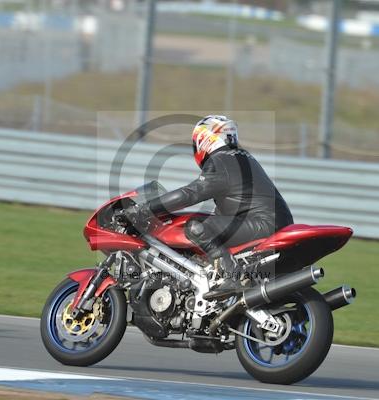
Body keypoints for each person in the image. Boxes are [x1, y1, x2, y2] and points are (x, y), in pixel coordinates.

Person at [125, 115, 293, 300]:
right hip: (270, 221)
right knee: (208, 226)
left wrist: (146, 208)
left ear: (205, 139)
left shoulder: (221, 161)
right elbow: (231, 207)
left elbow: (190, 194)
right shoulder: (240, 157)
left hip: (262, 223)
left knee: (195, 227)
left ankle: (233, 277)